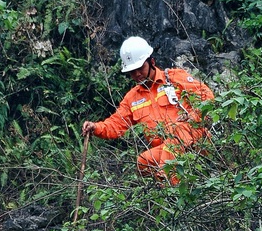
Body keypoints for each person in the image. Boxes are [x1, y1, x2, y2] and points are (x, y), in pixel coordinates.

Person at [81, 37, 214, 184]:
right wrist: (96, 127)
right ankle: (168, 187)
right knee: (143, 161)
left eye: (140, 68)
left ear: (151, 62)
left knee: (177, 132)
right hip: (165, 151)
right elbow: (116, 124)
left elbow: (206, 96)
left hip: (195, 140)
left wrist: (193, 116)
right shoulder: (132, 98)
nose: (137, 74)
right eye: (132, 71)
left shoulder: (175, 78)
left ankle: (172, 188)